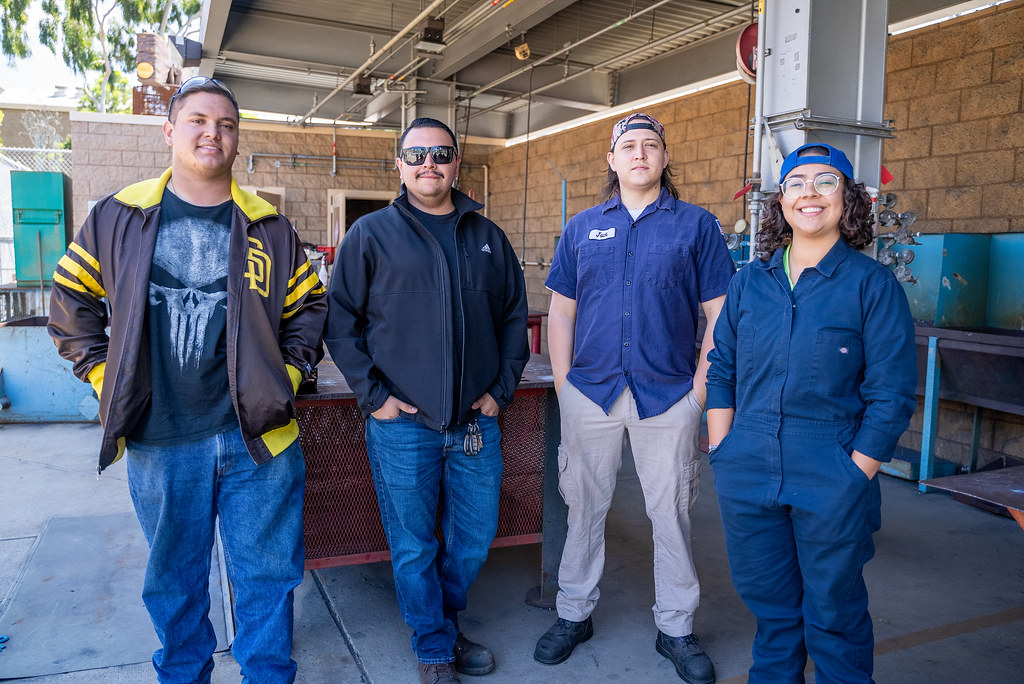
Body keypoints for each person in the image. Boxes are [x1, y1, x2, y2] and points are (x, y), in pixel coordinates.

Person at [47, 77, 327, 683]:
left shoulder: (271, 227)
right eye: (198, 120)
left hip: (260, 440)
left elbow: (309, 306)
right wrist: (106, 378)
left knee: (269, 577)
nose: (213, 133)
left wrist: (288, 376)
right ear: (170, 130)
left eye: (226, 124)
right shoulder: (118, 219)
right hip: (160, 439)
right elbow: (70, 302)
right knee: (173, 581)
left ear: (236, 138)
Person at [324, 117, 529, 684]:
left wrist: (499, 391)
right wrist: (376, 398)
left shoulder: (487, 237)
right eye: (415, 156)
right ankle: (435, 646)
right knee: (413, 546)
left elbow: (514, 318)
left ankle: (443, 617)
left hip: (473, 425)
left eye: (440, 153)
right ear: (399, 165)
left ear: (457, 161)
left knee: (474, 538)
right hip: (402, 425)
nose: (428, 164)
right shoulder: (371, 235)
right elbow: (340, 325)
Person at [705, 143, 918, 683]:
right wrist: (723, 449)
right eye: (797, 182)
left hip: (831, 467)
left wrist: (855, 473)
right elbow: (722, 369)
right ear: (781, 201)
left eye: (826, 181)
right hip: (747, 464)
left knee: (834, 614)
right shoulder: (749, 282)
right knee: (772, 612)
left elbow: (891, 395)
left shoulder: (873, 286)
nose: (810, 193)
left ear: (847, 199)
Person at [535, 112, 734, 684]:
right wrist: (565, 382)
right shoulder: (581, 228)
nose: (640, 153)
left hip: (668, 394)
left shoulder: (696, 227)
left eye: (651, 145)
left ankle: (676, 627)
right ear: (612, 159)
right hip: (590, 393)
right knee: (584, 507)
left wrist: (700, 388)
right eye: (629, 146)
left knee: (669, 513)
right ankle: (574, 613)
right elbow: (563, 311)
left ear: (665, 158)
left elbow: (719, 314)